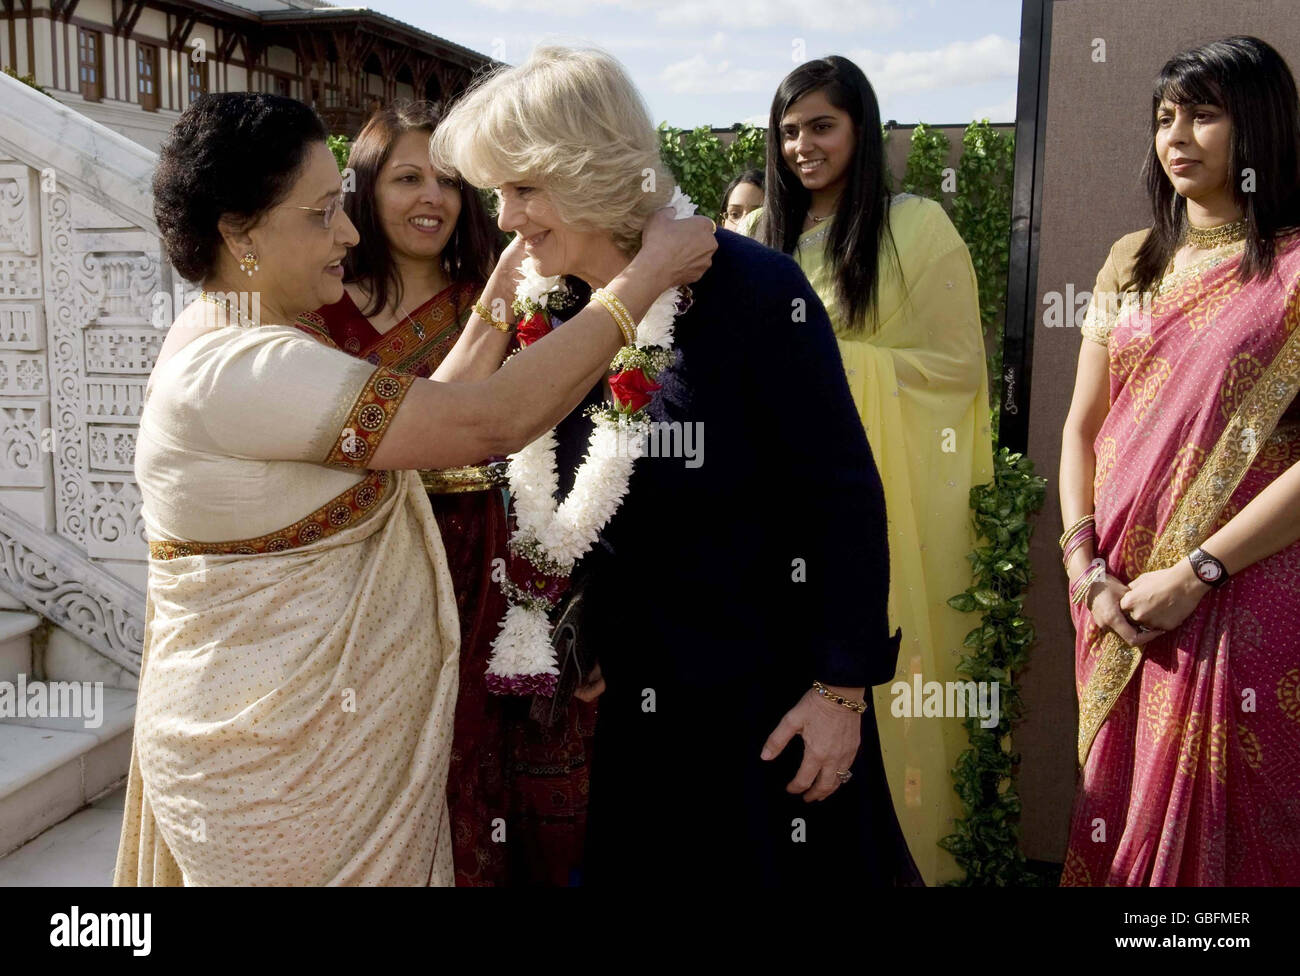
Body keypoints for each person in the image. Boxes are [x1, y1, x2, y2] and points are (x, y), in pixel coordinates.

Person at [113, 91, 715, 886]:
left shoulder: (235, 334)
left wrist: (508, 272)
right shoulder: (247, 368)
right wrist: (645, 278)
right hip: (279, 773)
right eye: (322, 212)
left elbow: (426, 428)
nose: (349, 233)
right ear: (238, 231)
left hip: (311, 752)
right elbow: (484, 424)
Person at [432, 46, 919, 886]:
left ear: (585, 170)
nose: (504, 218)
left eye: (522, 189)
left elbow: (841, 495)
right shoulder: (561, 312)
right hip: (635, 716)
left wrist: (842, 693)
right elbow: (512, 459)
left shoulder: (757, 292)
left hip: (766, 711)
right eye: (495, 193)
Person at [294, 102, 595, 886]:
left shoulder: (509, 300)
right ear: (361, 189)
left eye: (450, 181)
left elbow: (569, 447)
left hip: (494, 571)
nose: (432, 196)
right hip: (366, 584)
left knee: (496, 772)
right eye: (406, 178)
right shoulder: (315, 314)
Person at [740, 56, 992, 884]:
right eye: (787, 130)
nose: (801, 145)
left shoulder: (915, 228)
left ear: (861, 129)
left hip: (870, 502)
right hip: (764, 510)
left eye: (821, 125)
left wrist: (829, 367)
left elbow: (954, 371)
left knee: (864, 675)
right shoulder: (750, 242)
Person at [1058, 36, 1300, 886]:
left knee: (1235, 837)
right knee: (1117, 814)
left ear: (1261, 125)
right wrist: (1086, 569)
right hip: (1117, 593)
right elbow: (1082, 427)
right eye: (1165, 117)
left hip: (1243, 593)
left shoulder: (1297, 267)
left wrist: (1198, 570)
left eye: (1204, 114)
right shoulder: (1133, 259)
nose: (1177, 136)